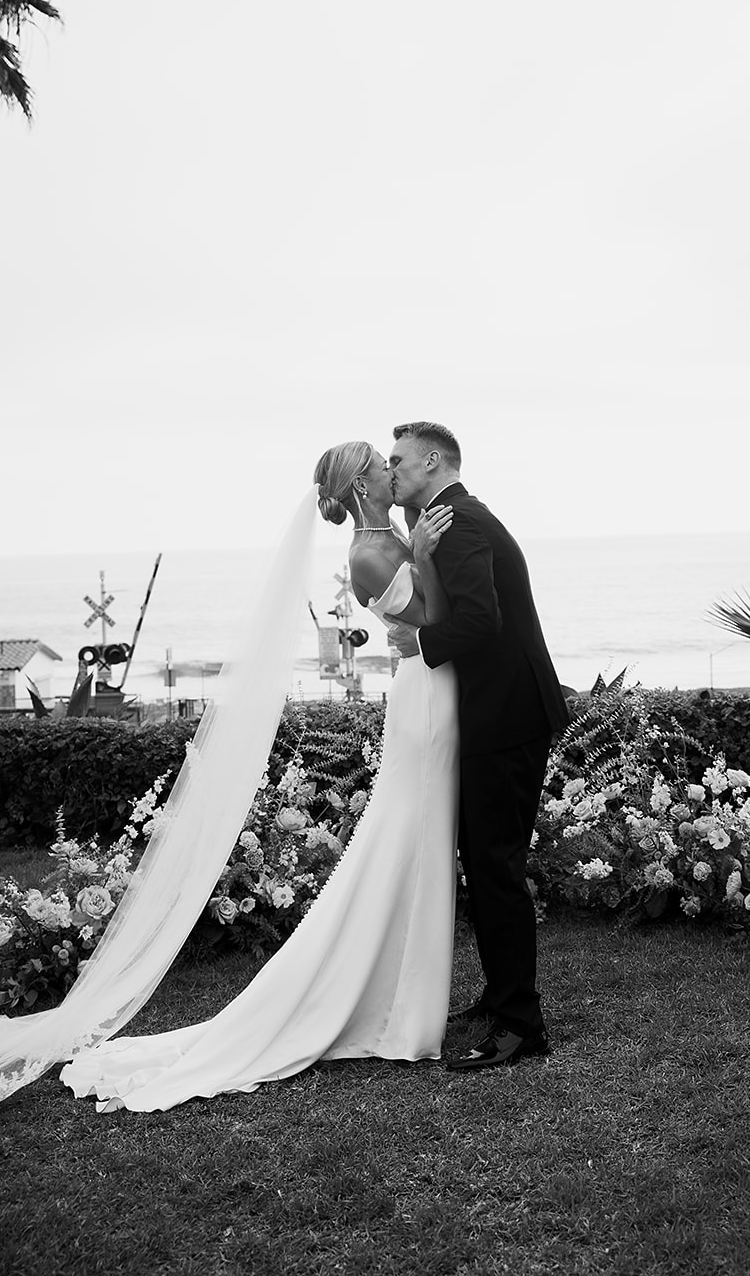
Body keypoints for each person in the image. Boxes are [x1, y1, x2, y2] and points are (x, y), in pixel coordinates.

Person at [55, 442, 458, 1111]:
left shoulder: (390, 536)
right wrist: (420, 555)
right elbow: (429, 626)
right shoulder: (369, 552)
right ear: (362, 485)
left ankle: (407, 1000)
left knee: (410, 846)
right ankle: (395, 1007)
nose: (395, 471)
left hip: (431, 691)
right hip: (423, 700)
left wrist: (418, 551)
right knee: (403, 843)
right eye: (383, 467)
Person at [385, 421, 568, 1070]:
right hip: (497, 713)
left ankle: (521, 1026)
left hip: (506, 716)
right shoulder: (450, 519)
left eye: (398, 460)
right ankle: (498, 997)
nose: (391, 470)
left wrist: (419, 645)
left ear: (433, 461)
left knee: (495, 866)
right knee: (485, 860)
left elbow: (478, 619)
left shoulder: (457, 521)